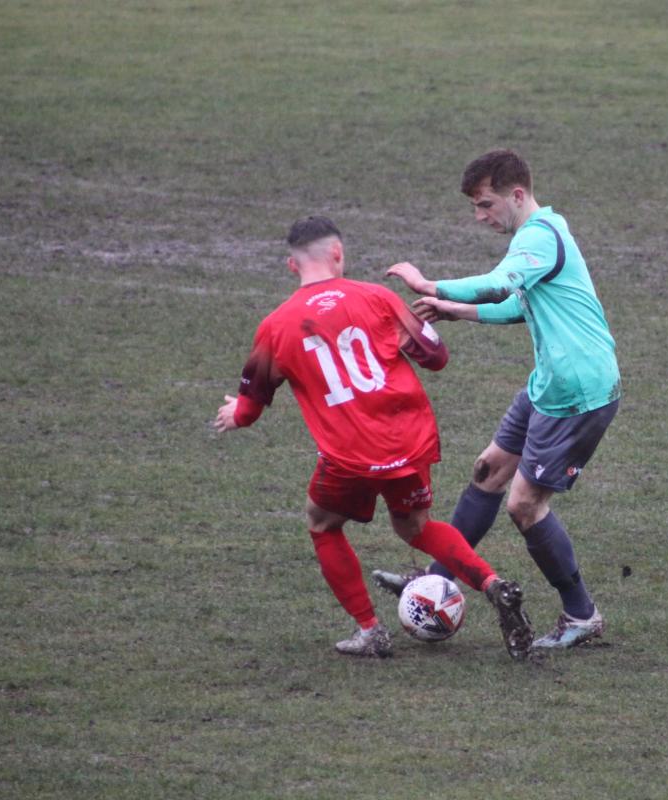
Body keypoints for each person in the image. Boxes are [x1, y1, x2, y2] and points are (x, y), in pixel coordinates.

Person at [213, 215, 534, 660]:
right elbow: (436, 357)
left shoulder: (275, 326)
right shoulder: (378, 297)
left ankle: (370, 630)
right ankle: (493, 584)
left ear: (292, 265)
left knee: (323, 523)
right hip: (409, 442)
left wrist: (235, 413)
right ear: (338, 253)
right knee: (415, 526)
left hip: (349, 455)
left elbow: (249, 410)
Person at [377, 149, 621, 651]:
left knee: (525, 505)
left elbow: (497, 285)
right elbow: (517, 306)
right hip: (548, 382)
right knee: (488, 471)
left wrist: (429, 284)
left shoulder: (538, 236)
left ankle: (582, 615)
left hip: (578, 392)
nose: (479, 216)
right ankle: (435, 581)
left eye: (485, 204)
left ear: (517, 194)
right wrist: (454, 310)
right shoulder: (541, 234)